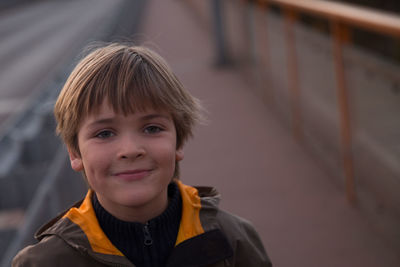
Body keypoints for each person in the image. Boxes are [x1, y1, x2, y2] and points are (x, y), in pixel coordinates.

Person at [12, 43, 272, 267]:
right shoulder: (43, 262)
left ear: (178, 141)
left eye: (152, 128)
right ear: (74, 152)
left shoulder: (233, 239)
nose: (131, 150)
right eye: (104, 134)